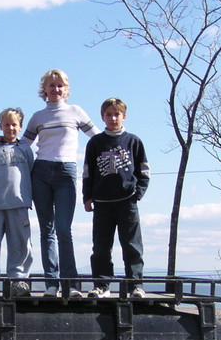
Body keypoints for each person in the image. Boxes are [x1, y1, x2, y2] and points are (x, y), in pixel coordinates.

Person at [21, 69, 100, 298]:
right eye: (51, 85)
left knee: (64, 229)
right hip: (41, 172)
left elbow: (97, 138)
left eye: (60, 86)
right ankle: (51, 284)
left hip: (66, 172)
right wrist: (0, 142)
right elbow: (23, 145)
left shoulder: (76, 111)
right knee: (47, 230)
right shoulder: (37, 117)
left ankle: (71, 284)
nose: (56, 89)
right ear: (44, 89)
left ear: (66, 89)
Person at [82, 97, 149, 298]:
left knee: (132, 245)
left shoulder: (133, 141)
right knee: (101, 246)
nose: (112, 118)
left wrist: (138, 193)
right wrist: (87, 197)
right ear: (102, 117)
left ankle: (135, 285)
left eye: (116, 114)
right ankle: (102, 285)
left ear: (124, 116)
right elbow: (88, 172)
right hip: (102, 203)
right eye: (108, 114)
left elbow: (144, 170)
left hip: (127, 201)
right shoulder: (95, 142)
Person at [0, 108, 34, 297]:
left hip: (19, 203)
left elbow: (31, 175)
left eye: (14, 124)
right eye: (6, 124)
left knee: (20, 244)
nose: (10, 128)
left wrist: (29, 197)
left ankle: (18, 281)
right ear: (0, 126)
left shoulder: (25, 149)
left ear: (20, 126)